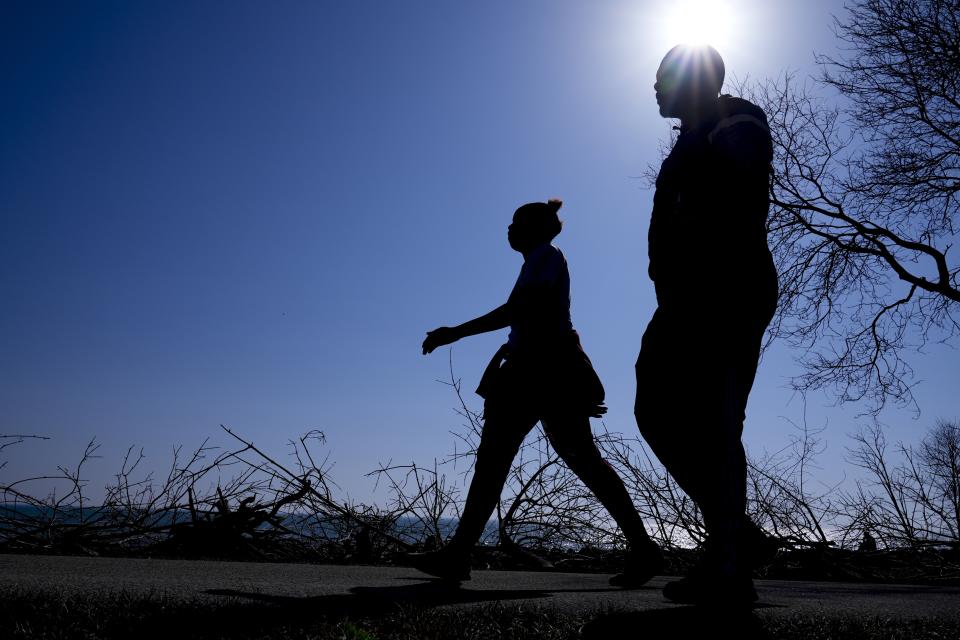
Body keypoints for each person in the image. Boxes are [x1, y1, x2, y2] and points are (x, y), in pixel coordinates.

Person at [414, 199, 662, 586]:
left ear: (536, 228)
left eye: (516, 222)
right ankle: (458, 554)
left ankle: (459, 554)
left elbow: (518, 310)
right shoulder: (540, 260)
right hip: (538, 374)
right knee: (566, 461)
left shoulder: (546, 257)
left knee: (514, 461)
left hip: (540, 375)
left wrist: (455, 332)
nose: (508, 229)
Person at [635, 45, 779, 605]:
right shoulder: (687, 140)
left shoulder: (734, 117)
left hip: (728, 287)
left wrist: (701, 223)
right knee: (655, 412)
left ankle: (727, 569)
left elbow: (743, 183)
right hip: (681, 300)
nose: (653, 90)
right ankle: (736, 535)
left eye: (660, 79)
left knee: (718, 421)